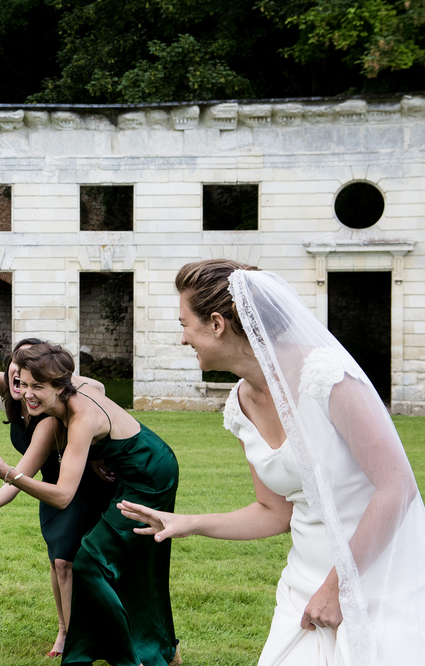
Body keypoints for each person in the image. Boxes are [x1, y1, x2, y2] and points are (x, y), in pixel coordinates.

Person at [119, 259, 425, 665]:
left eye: (184, 324)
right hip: (304, 582)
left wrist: (338, 587)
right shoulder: (241, 404)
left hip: (377, 576)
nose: (182, 339)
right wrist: (188, 523)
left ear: (216, 323)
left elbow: (397, 488)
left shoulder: (327, 377)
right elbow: (273, 511)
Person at [0, 342, 180, 666]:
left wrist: (8, 473)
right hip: (131, 470)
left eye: (37, 387)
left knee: (92, 562)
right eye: (24, 384)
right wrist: (99, 453)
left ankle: (127, 656)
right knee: (134, 567)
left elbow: (63, 495)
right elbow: (99, 387)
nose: (27, 394)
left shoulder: (80, 417)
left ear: (60, 385)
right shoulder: (68, 398)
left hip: (150, 475)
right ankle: (163, 650)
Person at [0, 310, 116, 657]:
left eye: (32, 377)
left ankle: (78, 635)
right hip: (51, 489)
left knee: (67, 563)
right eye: (16, 373)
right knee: (57, 562)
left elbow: (16, 479)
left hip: (80, 488)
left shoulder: (49, 417)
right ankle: (64, 630)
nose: (21, 382)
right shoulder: (14, 388)